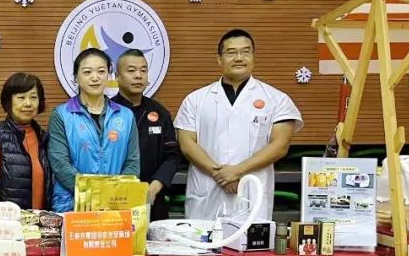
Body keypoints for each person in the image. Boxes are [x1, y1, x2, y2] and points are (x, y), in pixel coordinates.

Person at [175, 29, 303, 221]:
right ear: (219, 59)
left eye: (245, 52)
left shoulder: (277, 99)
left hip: (252, 191)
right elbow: (186, 143)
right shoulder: (195, 100)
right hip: (207, 192)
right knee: (204, 238)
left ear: (253, 57)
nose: (239, 58)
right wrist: (220, 174)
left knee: (251, 238)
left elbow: (280, 145)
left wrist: (237, 171)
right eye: (231, 52)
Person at [48, 48, 140, 213]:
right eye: (87, 72)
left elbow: (132, 164)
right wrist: (95, 195)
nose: (95, 77)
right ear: (76, 77)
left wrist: (111, 196)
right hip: (72, 205)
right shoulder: (61, 115)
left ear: (109, 75)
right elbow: (60, 164)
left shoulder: (126, 116)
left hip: (115, 206)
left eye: (101, 71)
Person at [111, 49, 183, 221]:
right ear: (117, 77)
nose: (138, 76)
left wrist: (155, 186)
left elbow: (172, 156)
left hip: (153, 199)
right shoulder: (107, 112)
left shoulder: (160, 112)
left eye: (143, 70)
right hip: (114, 199)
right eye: (131, 70)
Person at [0, 73, 52, 210]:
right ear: (9, 101)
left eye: (33, 97)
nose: (28, 103)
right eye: (21, 98)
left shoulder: (43, 137)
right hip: (7, 220)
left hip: (39, 220)